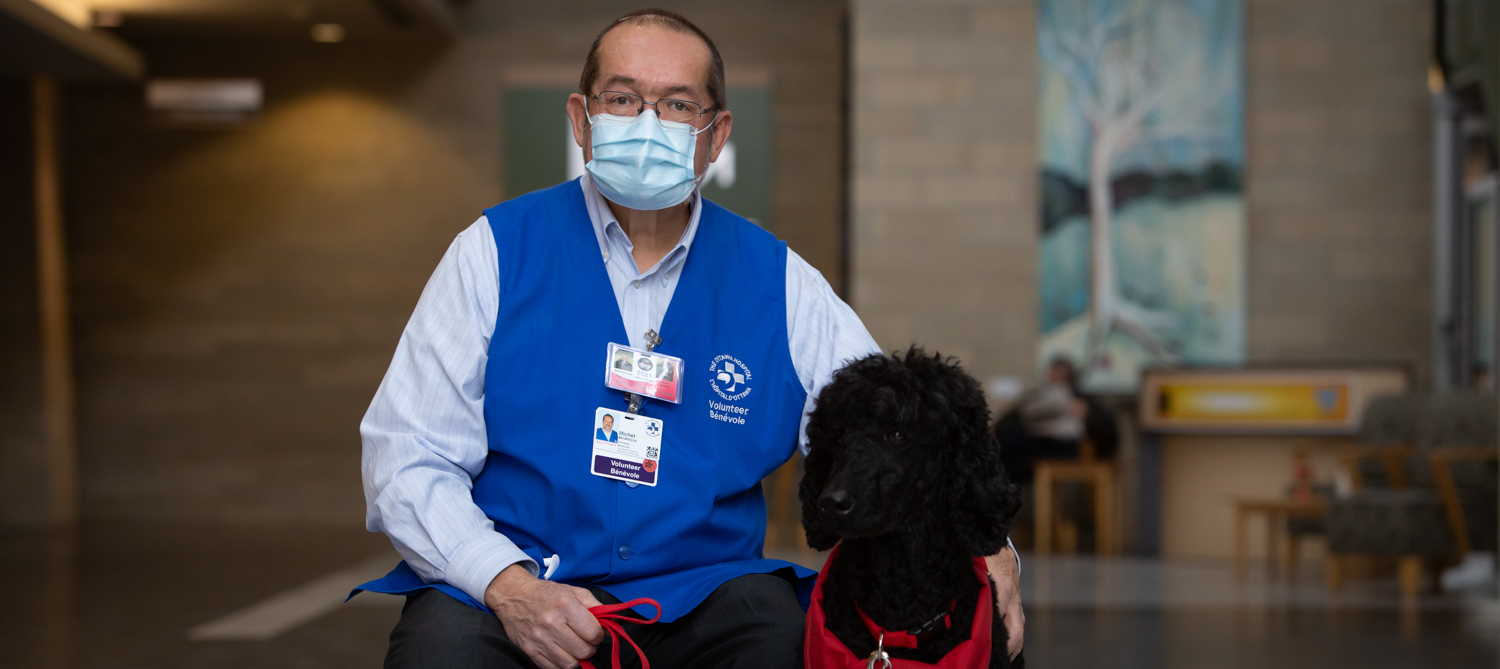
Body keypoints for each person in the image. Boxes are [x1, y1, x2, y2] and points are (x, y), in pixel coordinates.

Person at [352, 9, 1024, 669]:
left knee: (783, 637)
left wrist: (987, 542)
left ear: (716, 134)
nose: (647, 123)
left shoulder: (781, 282)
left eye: (677, 105)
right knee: (437, 651)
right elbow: (406, 453)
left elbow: (900, 422)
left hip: (705, 593)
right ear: (581, 120)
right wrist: (508, 585)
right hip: (515, 580)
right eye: (622, 97)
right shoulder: (493, 253)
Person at [996, 357, 1119, 483]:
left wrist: (1086, 413)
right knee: (1008, 440)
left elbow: (1109, 433)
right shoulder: (1039, 396)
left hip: (1063, 448)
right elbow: (1019, 413)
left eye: (1056, 377)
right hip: (1033, 443)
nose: (1051, 381)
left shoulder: (1082, 401)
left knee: (1010, 442)